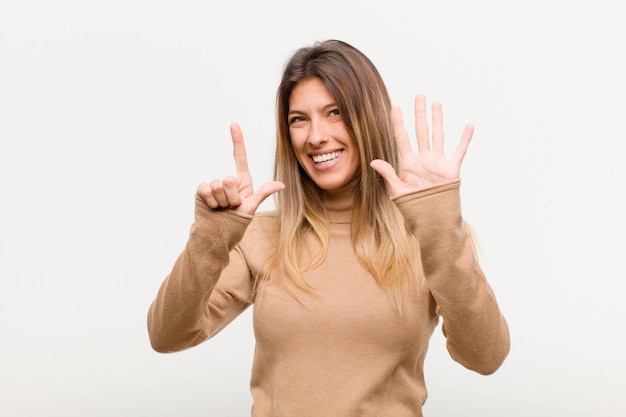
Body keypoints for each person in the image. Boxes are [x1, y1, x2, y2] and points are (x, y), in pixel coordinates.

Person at [147, 39, 510, 416]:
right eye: (298, 119)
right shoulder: (259, 237)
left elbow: (486, 356)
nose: (315, 136)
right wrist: (211, 237)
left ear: (367, 119)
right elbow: (166, 335)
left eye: (334, 112)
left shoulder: (427, 237)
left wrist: (438, 225)